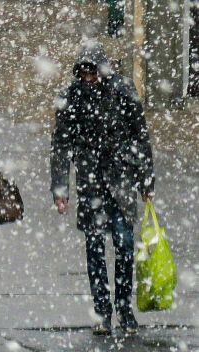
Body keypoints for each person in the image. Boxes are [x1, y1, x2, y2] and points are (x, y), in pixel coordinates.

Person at [51, 41, 154, 335]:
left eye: (92, 70)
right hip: (91, 182)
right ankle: (102, 310)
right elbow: (60, 144)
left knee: (123, 246)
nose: (88, 76)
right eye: (83, 71)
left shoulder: (123, 90)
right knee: (95, 248)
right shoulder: (71, 98)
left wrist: (146, 180)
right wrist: (60, 189)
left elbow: (139, 135)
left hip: (121, 180)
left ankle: (123, 308)